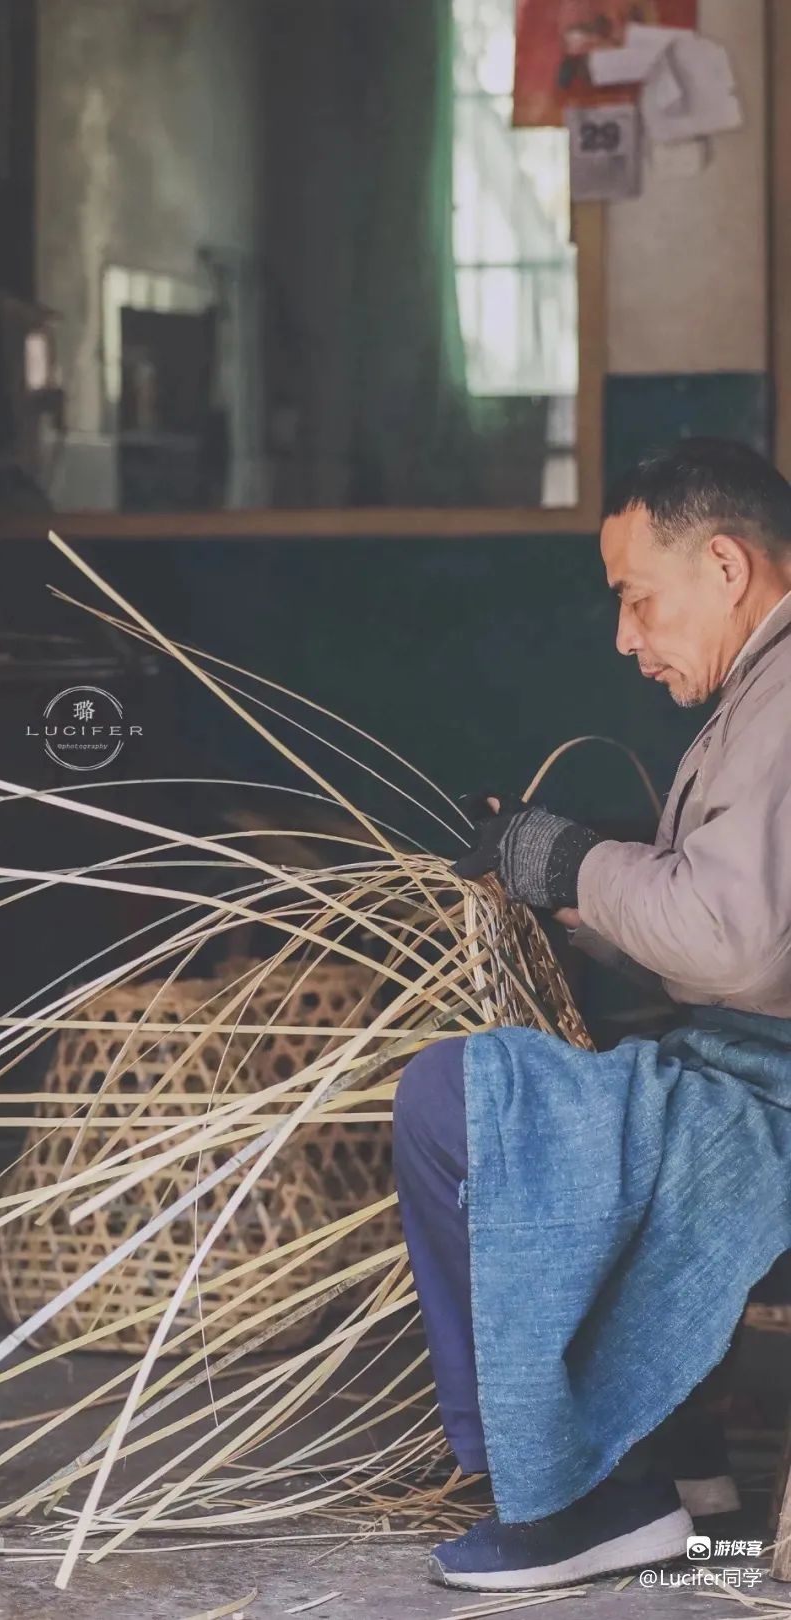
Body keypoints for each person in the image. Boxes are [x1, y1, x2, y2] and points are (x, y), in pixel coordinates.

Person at [393, 438, 791, 1591]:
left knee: (456, 1102)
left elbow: (734, 943)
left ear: (725, 565)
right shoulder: (760, 687)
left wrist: (569, 863)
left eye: (636, 599)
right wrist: (574, 899)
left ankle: (577, 1498)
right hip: (752, 1065)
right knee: (581, 1099)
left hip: (771, 1094)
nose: (625, 637)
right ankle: (685, 1489)